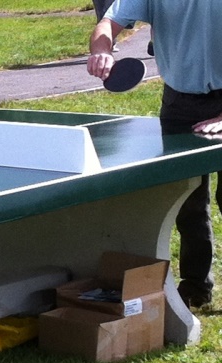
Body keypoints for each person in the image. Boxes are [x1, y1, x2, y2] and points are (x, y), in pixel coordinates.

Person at [87, 1, 222, 308]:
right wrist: (101, 50)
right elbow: (108, 23)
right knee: (187, 201)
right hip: (180, 103)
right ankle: (196, 286)